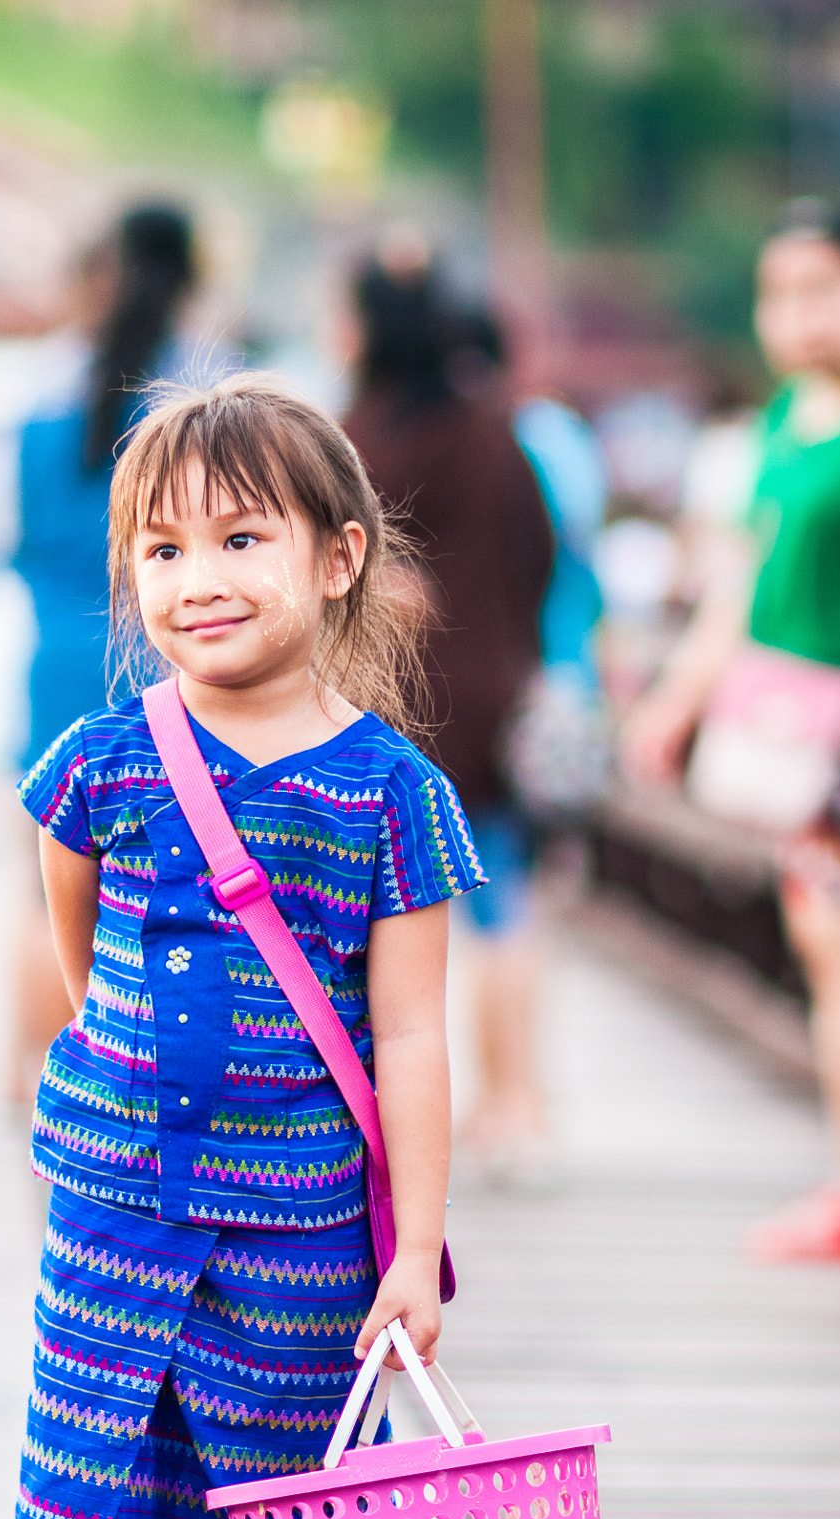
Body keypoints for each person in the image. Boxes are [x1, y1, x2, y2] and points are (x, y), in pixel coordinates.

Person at [0, 376, 484, 1519]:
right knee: (87, 1488)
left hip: (303, 1231)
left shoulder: (391, 795)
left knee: (310, 1503)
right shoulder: (102, 761)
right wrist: (119, 1085)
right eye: (161, 549)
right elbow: (74, 948)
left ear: (339, 557)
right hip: (114, 1208)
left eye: (240, 538)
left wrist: (410, 1250)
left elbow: (409, 1036)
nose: (194, 578)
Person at [625, 200, 840, 1261]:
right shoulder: (791, 417)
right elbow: (744, 582)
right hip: (798, 726)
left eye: (823, 287)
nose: (799, 315)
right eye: (780, 294)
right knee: (835, 945)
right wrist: (679, 699)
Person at [342, 258, 555, 1178]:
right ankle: (518, 1111)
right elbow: (542, 558)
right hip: (494, 694)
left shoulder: (356, 440)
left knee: (378, 924)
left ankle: (379, 1124)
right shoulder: (498, 435)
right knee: (503, 911)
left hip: (391, 709)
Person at [7, 205, 198, 1103]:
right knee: (167, 886)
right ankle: (131, 1075)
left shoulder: (38, 405)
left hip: (52, 654)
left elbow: (1, 539)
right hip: (166, 660)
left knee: (40, 876)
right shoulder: (203, 407)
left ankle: (32, 1070)